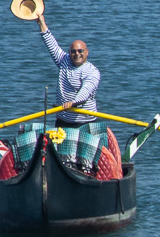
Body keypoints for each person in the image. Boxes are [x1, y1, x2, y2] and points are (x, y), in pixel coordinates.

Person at [34, 9, 106, 168]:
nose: (77, 54)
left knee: (86, 165)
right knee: (64, 162)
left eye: (80, 51)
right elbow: (51, 45)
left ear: (87, 52)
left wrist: (73, 102)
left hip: (86, 123)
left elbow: (85, 92)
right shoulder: (64, 61)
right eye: (73, 51)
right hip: (63, 122)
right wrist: (41, 23)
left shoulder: (92, 72)